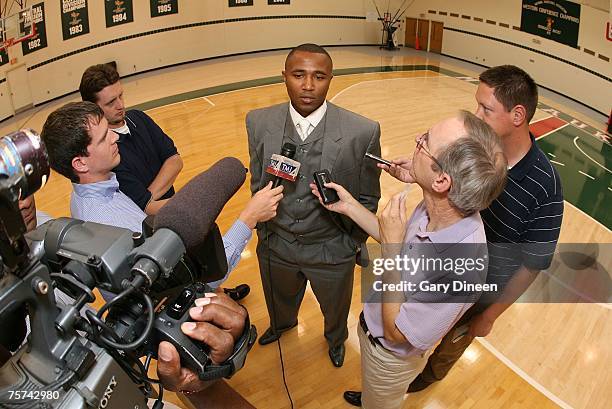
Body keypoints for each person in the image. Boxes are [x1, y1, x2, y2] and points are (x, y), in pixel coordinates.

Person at [383, 65, 564, 393]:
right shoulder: (467, 147)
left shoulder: (545, 185)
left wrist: (491, 314)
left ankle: (420, 383)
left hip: (478, 295)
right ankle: (393, 381)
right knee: (409, 336)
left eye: (486, 108)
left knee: (444, 351)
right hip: (432, 272)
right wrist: (421, 176)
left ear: (517, 115)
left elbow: (533, 263)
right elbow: (446, 190)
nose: (476, 115)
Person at [311, 111, 507, 408]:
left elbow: (397, 332)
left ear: (442, 180)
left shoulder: (461, 271)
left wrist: (390, 251)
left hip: (388, 357)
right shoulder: (438, 209)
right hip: (371, 327)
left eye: (424, 142)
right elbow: (396, 243)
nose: (417, 140)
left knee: (379, 403)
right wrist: (349, 206)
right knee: (371, 392)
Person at [41, 101, 283, 293]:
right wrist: (248, 218)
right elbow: (195, 281)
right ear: (80, 163)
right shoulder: (111, 223)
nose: (116, 137)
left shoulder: (90, 195)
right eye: (104, 137)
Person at [246, 43, 381, 367]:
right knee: (279, 299)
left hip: (331, 250)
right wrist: (265, 233)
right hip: (277, 246)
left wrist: (350, 243)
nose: (308, 85)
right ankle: (282, 324)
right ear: (284, 77)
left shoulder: (362, 131)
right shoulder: (258, 121)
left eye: (319, 76)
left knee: (335, 308)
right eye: (299, 75)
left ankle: (336, 340)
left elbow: (368, 197)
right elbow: (256, 178)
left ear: (331, 79)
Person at [79, 63, 182, 216]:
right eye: (111, 102)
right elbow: (147, 209)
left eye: (120, 95)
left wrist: (146, 200)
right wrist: (147, 204)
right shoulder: (105, 153)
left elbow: (175, 160)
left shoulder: (139, 117)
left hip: (166, 208)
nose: (120, 105)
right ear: (92, 108)